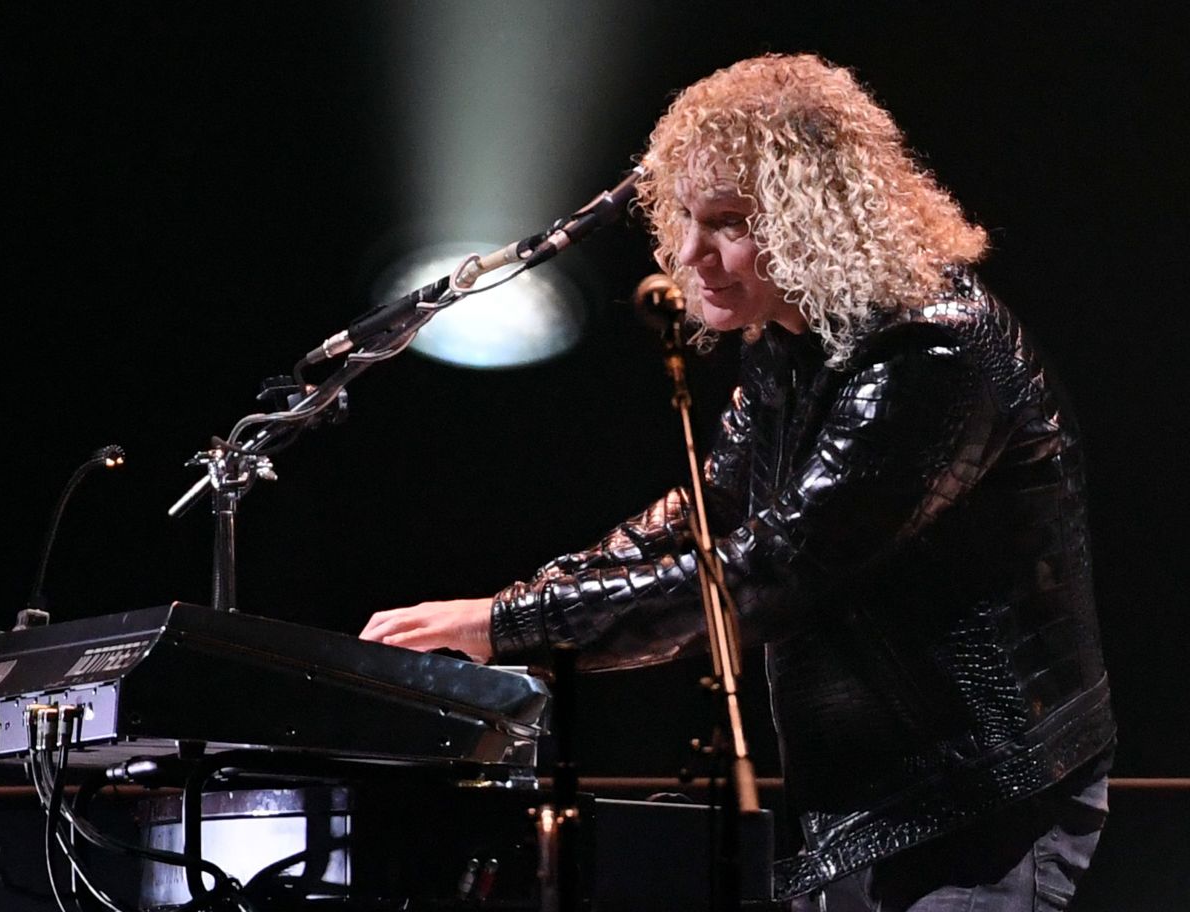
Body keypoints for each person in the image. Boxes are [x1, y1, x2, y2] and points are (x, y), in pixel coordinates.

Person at [360, 54, 1115, 910]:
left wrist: (509, 625)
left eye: (726, 222)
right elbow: (706, 512)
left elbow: (772, 571)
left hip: (980, 796)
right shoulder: (794, 341)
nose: (690, 255)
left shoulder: (928, 354)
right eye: (683, 217)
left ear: (815, 218)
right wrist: (505, 611)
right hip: (875, 798)